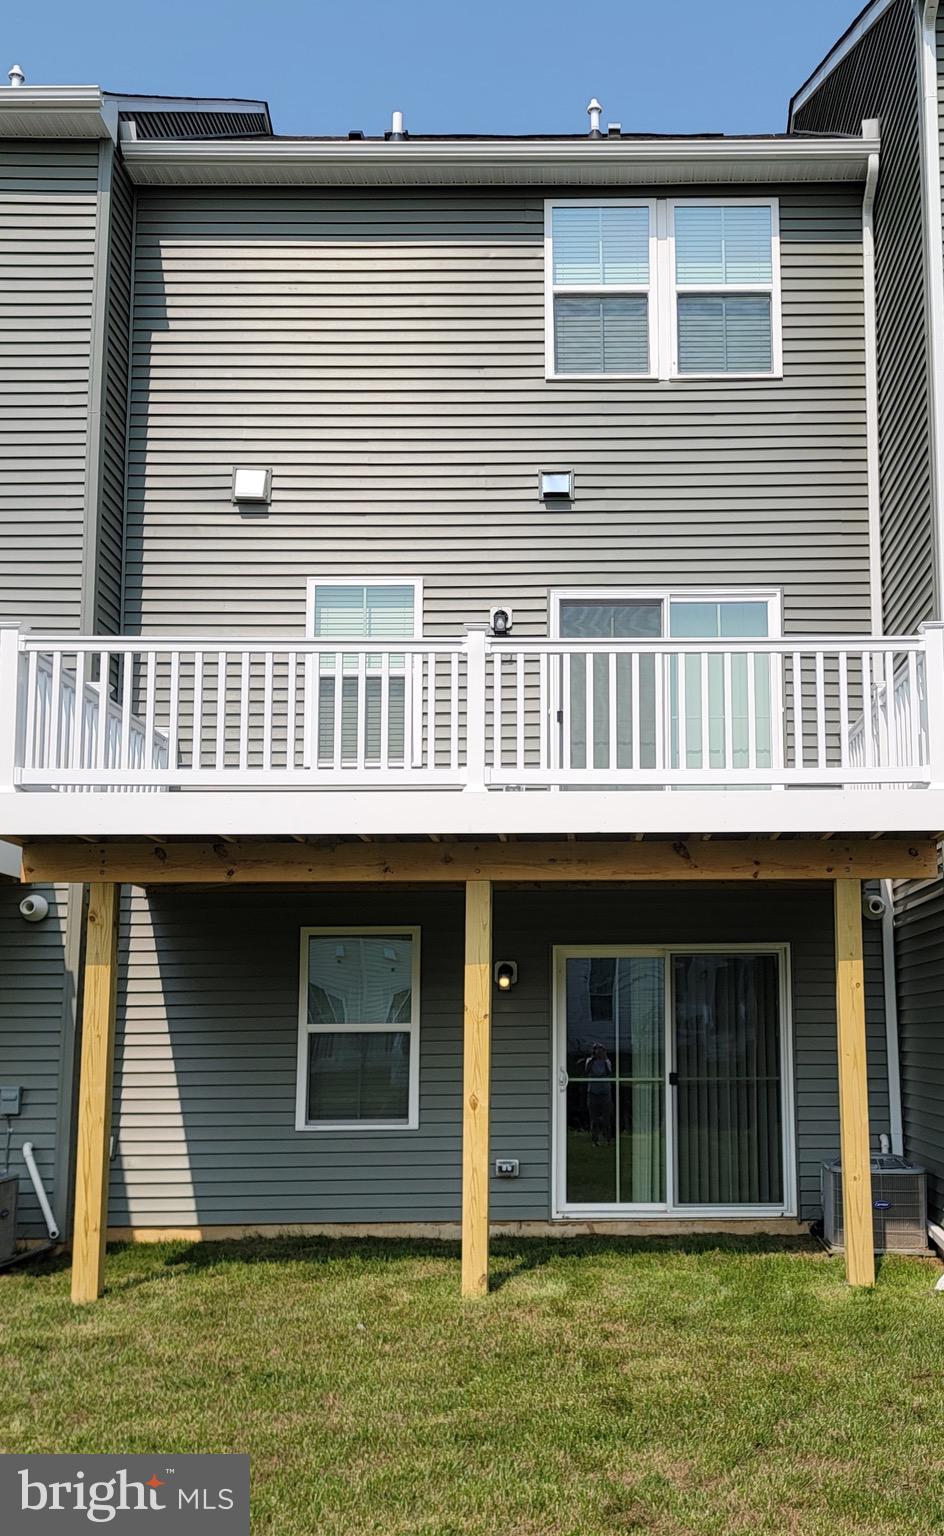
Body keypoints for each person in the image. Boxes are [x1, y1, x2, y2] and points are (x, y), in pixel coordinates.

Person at [584, 1042, 614, 1145]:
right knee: (594, 1118)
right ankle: (594, 1140)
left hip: (605, 1092)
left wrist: (604, 1058)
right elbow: (586, 1071)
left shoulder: (607, 1061)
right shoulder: (590, 1061)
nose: (599, 1052)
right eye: (597, 1050)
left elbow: (609, 1071)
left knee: (607, 1117)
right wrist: (593, 1058)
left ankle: (608, 1139)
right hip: (593, 1092)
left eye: (601, 1050)